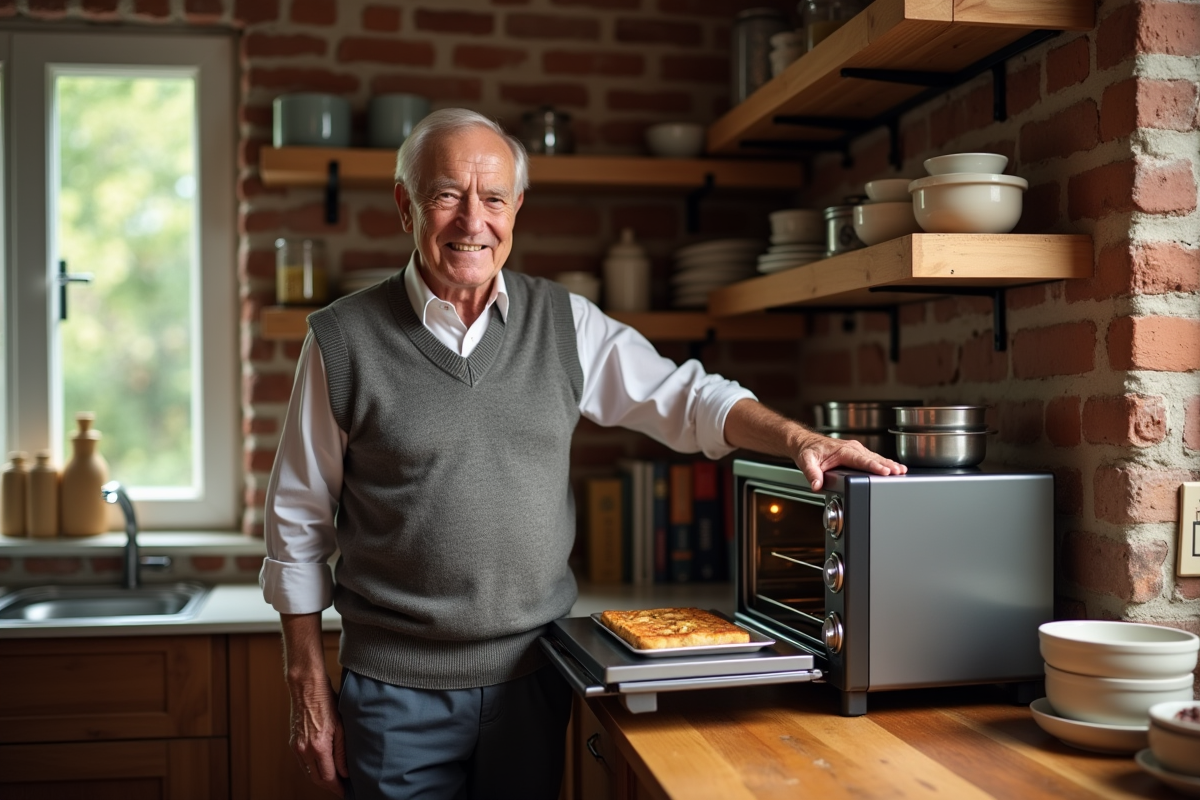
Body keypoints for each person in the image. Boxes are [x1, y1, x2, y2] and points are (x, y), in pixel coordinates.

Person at [260, 108, 906, 800]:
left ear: (518, 209)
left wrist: (802, 439)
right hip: (394, 692)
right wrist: (306, 677)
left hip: (534, 679)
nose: (472, 221)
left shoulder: (565, 323)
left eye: (494, 198)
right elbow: (297, 521)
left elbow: (688, 399)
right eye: (447, 195)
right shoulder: (342, 339)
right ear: (405, 204)